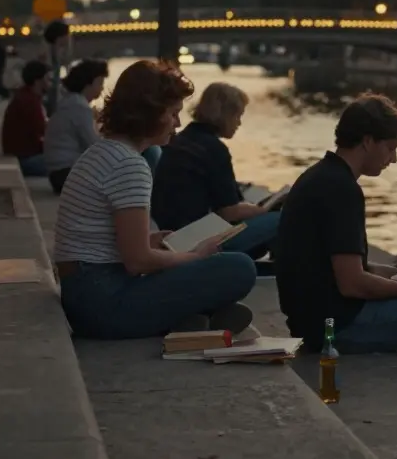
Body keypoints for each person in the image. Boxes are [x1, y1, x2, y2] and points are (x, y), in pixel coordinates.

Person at [274, 93, 397, 390]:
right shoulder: (342, 190)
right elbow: (352, 284)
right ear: (368, 141)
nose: (393, 159)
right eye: (391, 148)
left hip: (315, 316)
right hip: (333, 326)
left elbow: (340, 265)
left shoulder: (322, 176)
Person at [52, 60, 257, 340]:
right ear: (149, 113)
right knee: (239, 268)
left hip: (84, 293)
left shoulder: (102, 152)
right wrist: (195, 256)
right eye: (173, 113)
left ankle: (191, 319)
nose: (178, 123)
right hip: (104, 303)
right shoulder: (129, 165)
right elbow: (137, 261)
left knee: (203, 266)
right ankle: (194, 316)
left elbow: (106, 243)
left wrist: (152, 240)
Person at [151, 82, 280, 259]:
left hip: (172, 233)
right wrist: (266, 210)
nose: (239, 123)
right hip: (198, 240)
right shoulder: (214, 148)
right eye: (238, 116)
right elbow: (228, 211)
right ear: (225, 115)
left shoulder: (182, 140)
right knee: (279, 219)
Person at [44, 59, 109, 194]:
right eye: (100, 83)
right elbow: (94, 145)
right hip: (67, 175)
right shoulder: (79, 107)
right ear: (88, 84)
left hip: (58, 174)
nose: (102, 88)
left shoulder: (70, 101)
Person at [1, 60, 52, 177]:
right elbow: (41, 134)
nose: (50, 82)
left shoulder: (27, 96)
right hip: (26, 159)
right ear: (38, 81)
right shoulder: (29, 102)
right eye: (47, 79)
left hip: (23, 155)